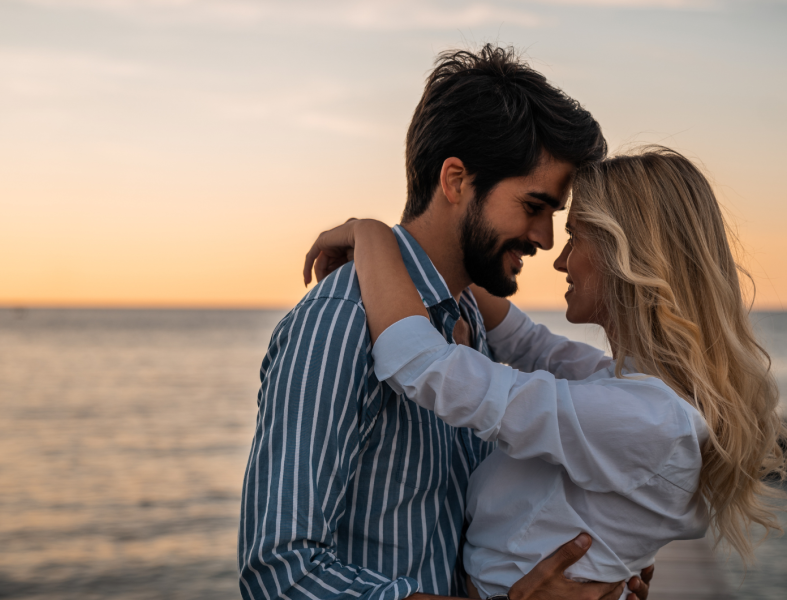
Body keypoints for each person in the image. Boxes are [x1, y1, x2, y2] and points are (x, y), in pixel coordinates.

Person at [238, 45, 654, 599]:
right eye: (533, 207)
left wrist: (588, 568)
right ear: (455, 181)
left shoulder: (466, 317)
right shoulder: (339, 323)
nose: (544, 239)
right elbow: (280, 574)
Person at [304, 147, 787, 599]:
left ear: (628, 256)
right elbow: (529, 343)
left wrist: (371, 235)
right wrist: (441, 254)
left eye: (576, 236)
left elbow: (425, 367)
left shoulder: (645, 418)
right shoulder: (645, 393)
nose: (558, 258)